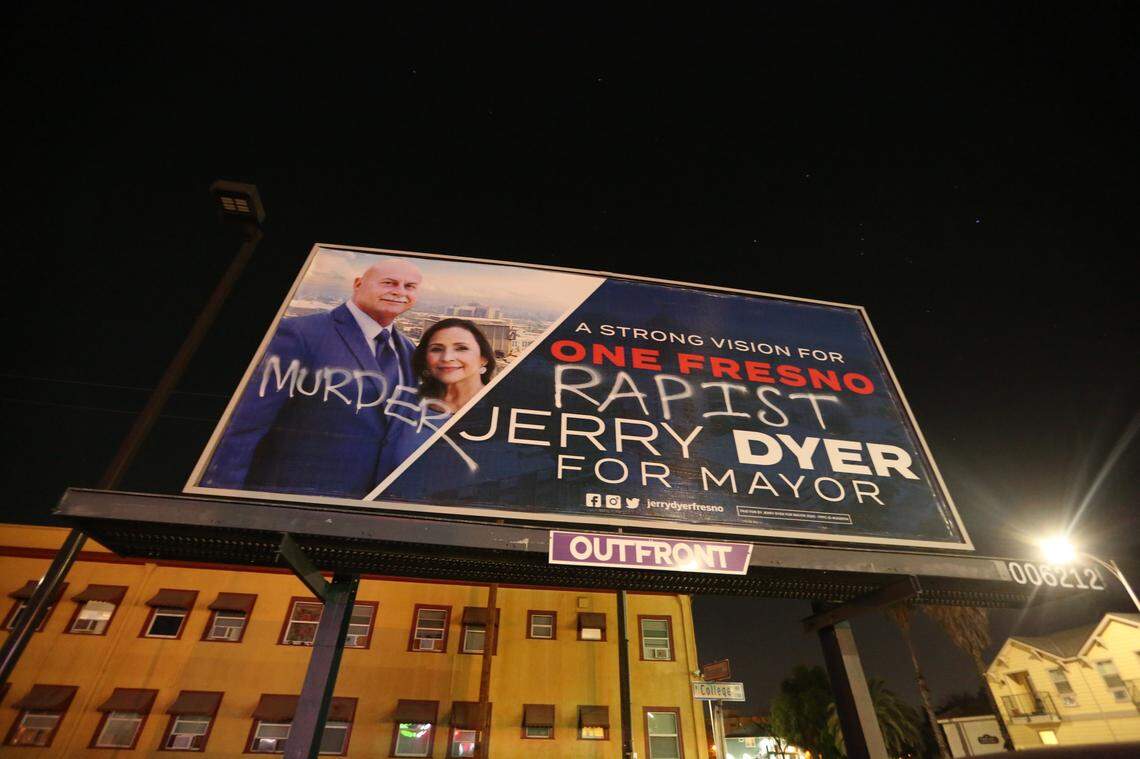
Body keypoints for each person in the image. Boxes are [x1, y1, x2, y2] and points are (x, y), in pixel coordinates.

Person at [201, 258, 423, 498]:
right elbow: (246, 424)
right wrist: (218, 498)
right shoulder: (298, 333)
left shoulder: (408, 349)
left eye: (409, 287)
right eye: (389, 283)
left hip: (362, 503)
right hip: (291, 495)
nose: (399, 292)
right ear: (358, 284)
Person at [376, 318, 497, 479]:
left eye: (461, 348)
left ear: (484, 358)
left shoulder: (503, 412)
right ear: (426, 360)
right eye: (436, 349)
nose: (447, 357)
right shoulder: (403, 404)